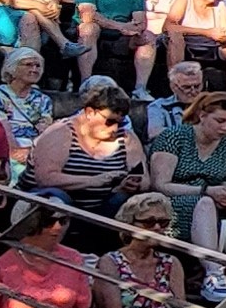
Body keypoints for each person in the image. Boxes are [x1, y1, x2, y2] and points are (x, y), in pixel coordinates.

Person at [147, 91, 226, 293]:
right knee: (205, 202)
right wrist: (206, 191)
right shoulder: (174, 136)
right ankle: (214, 274)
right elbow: (160, 185)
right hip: (170, 204)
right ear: (202, 116)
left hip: (215, 208)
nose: (225, 128)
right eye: (220, 121)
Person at [23, 87, 146, 221]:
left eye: (120, 123)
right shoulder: (61, 132)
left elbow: (145, 180)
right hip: (49, 204)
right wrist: (94, 181)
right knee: (56, 198)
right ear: (90, 112)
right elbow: (46, 178)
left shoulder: (127, 138)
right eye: (110, 121)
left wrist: (132, 184)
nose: (115, 128)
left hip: (103, 208)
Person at [77, 0, 154, 90]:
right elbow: (88, 16)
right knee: (89, 29)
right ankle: (85, 83)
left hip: (123, 35)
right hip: (97, 30)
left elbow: (140, 22)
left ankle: (140, 89)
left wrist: (132, 29)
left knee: (148, 37)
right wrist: (121, 26)